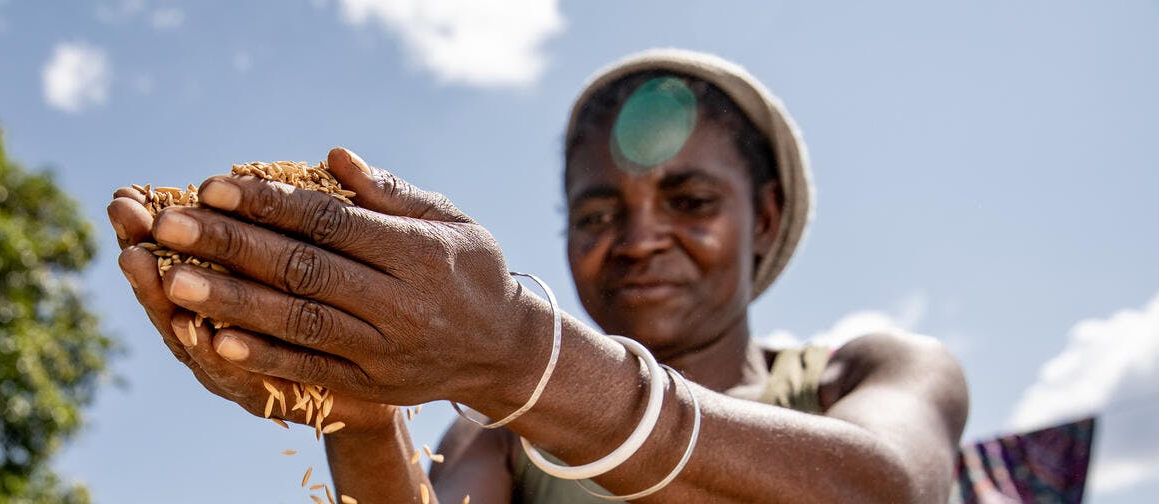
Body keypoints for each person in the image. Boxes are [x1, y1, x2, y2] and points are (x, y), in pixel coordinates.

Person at [106, 49, 968, 502]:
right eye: (597, 215)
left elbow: (888, 489)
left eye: (690, 201)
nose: (639, 239)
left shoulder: (870, 373)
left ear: (766, 219)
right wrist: (361, 423)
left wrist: (524, 352)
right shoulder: (506, 439)